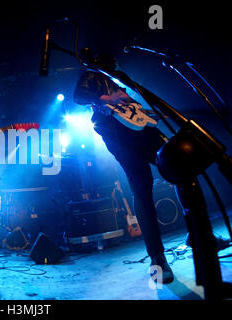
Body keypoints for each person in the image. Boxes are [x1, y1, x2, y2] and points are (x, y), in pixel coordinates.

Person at [73, 54, 175, 284]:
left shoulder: (120, 73)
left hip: (144, 128)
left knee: (180, 167)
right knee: (141, 188)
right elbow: (78, 96)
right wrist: (105, 98)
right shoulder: (91, 74)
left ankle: (200, 239)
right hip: (116, 132)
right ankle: (158, 259)